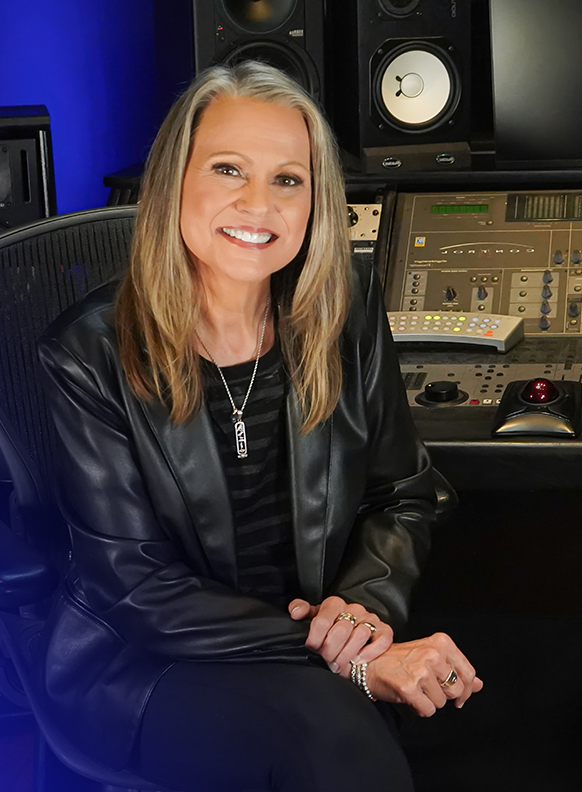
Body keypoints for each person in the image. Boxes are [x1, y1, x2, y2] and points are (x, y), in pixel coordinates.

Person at [37, 61, 482, 792]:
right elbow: (135, 587)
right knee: (332, 733)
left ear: (316, 200)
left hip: (317, 642)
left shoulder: (348, 306)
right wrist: (347, 654)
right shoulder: (89, 351)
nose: (258, 203)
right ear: (174, 182)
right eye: (228, 169)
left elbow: (402, 493)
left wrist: (362, 611)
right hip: (148, 667)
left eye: (288, 179)